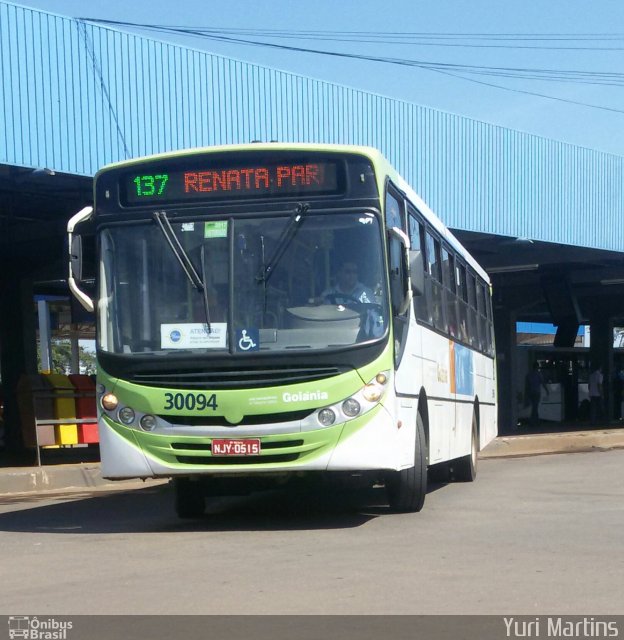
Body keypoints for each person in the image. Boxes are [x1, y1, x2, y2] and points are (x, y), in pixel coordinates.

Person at [321, 260, 384, 337]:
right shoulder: (328, 294)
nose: (352, 275)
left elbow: (374, 318)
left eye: (355, 272)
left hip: (360, 337)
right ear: (339, 273)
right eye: (348, 272)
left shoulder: (366, 293)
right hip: (333, 336)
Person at [525, 362, 549, 427]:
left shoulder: (529, 375)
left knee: (534, 407)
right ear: (537, 367)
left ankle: (536, 421)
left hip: (531, 393)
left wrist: (526, 395)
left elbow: (527, 386)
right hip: (537, 392)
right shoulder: (539, 374)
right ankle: (533, 422)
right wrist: (547, 390)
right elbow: (543, 383)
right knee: (535, 407)